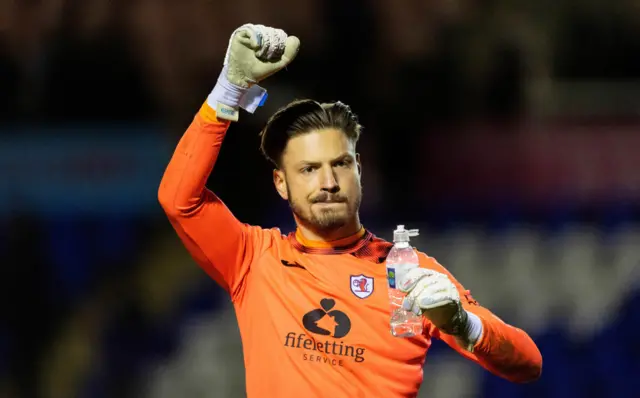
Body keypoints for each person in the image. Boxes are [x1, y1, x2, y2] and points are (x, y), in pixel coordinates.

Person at [158, 23, 542, 398]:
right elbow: (179, 199)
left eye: (339, 164)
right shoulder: (254, 260)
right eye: (308, 169)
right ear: (280, 183)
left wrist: (465, 325)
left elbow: (528, 363)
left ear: (358, 169)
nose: (328, 182)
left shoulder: (409, 273)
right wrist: (229, 87)